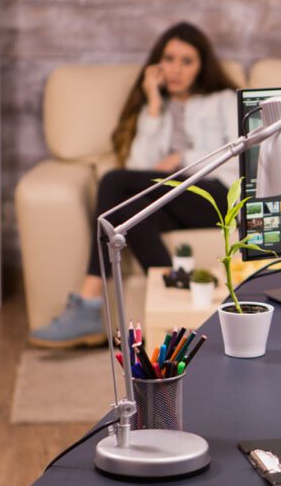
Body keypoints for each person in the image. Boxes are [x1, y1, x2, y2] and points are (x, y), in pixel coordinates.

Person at [30, 21, 241, 349]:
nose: (176, 69)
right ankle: (180, 308)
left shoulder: (223, 99)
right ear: (157, 64)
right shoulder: (152, 107)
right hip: (171, 196)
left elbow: (239, 156)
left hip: (214, 194)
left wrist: (181, 158)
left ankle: (89, 301)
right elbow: (140, 169)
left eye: (187, 61)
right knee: (129, 209)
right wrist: (154, 105)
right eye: (169, 59)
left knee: (113, 181)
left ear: (202, 66)